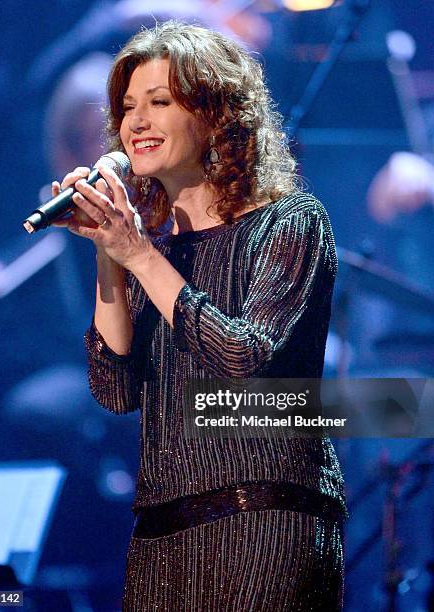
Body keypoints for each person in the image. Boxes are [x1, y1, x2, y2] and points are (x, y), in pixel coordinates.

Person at [52, 21, 348, 611]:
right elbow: (114, 391)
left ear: (216, 114)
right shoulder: (152, 251)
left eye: (160, 102)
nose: (136, 121)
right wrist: (111, 257)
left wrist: (135, 253)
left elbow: (241, 356)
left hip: (266, 523)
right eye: (128, 106)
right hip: (160, 537)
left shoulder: (290, 222)